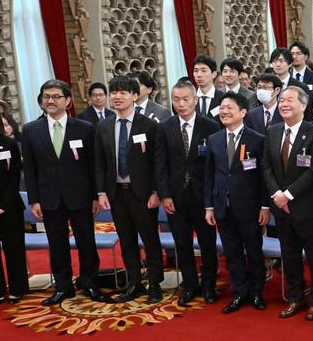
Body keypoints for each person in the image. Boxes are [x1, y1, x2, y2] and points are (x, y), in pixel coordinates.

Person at [21, 80, 110, 305]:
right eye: (46, 96)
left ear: (68, 101)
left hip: (80, 197)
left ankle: (90, 283)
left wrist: (94, 196)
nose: (50, 100)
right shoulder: (31, 130)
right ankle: (63, 287)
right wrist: (34, 200)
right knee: (57, 244)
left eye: (56, 96)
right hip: (49, 198)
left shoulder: (85, 128)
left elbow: (92, 165)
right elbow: (30, 169)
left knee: (86, 241)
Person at [94, 75, 164, 303]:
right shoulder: (103, 126)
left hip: (143, 194)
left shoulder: (149, 125)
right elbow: (100, 162)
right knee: (126, 240)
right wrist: (102, 192)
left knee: (150, 239)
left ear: (135, 96)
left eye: (123, 92)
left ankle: (154, 284)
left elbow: (157, 162)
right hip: (116, 193)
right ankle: (134, 283)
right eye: (113, 92)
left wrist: (156, 191)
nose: (117, 97)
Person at [263, 86, 313, 320]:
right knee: (289, 256)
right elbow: (266, 167)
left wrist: (288, 194)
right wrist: (277, 195)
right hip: (281, 208)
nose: (284, 104)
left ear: (303, 105)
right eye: (281, 100)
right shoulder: (273, 131)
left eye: (289, 100)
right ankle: (295, 297)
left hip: (305, 207)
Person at [155, 80, 221, 306]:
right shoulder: (164, 127)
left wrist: (211, 198)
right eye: (176, 100)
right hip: (176, 197)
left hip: (203, 198)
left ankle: (209, 286)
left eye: (185, 99)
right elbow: (160, 164)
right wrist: (164, 194)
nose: (181, 104)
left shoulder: (210, 126)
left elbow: (214, 166)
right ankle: (191, 285)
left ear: (195, 100)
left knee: (207, 244)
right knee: (182, 245)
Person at [204, 92, 271, 314]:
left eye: (229, 108)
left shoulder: (257, 139)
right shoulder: (214, 139)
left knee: (254, 252)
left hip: (250, 207)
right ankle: (239, 292)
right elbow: (210, 175)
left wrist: (264, 205)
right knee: (232, 253)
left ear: (243, 112)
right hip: (223, 207)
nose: (224, 111)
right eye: (222, 107)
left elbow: (263, 177)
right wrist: (209, 206)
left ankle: (257, 293)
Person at [0, 104, 28, 303]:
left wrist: (1, 206)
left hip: (9, 206)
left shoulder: (9, 144)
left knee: (14, 249)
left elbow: (15, 177)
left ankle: (17, 289)